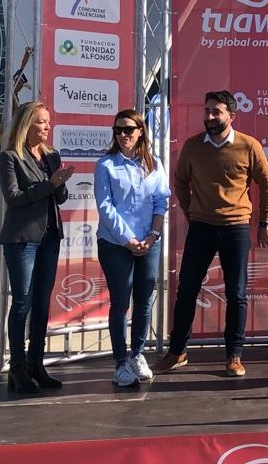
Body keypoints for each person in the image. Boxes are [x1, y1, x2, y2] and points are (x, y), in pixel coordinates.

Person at [153, 90, 268, 377]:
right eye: (207, 111)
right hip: (201, 228)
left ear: (231, 116)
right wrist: (191, 212)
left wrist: (264, 223)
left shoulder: (249, 145)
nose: (209, 117)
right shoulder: (192, 146)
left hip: (236, 228)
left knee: (236, 294)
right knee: (186, 290)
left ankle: (234, 355)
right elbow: (180, 182)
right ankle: (177, 351)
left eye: (216, 112)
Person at [0, 101, 75, 393]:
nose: (47, 127)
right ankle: (17, 368)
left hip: (50, 237)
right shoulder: (9, 157)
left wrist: (60, 183)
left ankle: (36, 364)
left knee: (42, 303)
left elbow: (60, 197)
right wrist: (49, 185)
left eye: (48, 121)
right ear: (26, 124)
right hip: (22, 239)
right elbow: (14, 198)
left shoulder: (52, 155)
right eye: (41, 121)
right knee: (22, 302)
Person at [94, 109, 171, 387]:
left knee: (144, 301)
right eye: (118, 130)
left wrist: (153, 235)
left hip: (149, 242)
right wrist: (128, 239)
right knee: (120, 303)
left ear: (140, 131)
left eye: (128, 129)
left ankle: (137, 354)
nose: (123, 135)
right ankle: (120, 363)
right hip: (115, 243)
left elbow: (161, 201)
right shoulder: (106, 165)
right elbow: (105, 207)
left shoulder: (154, 164)